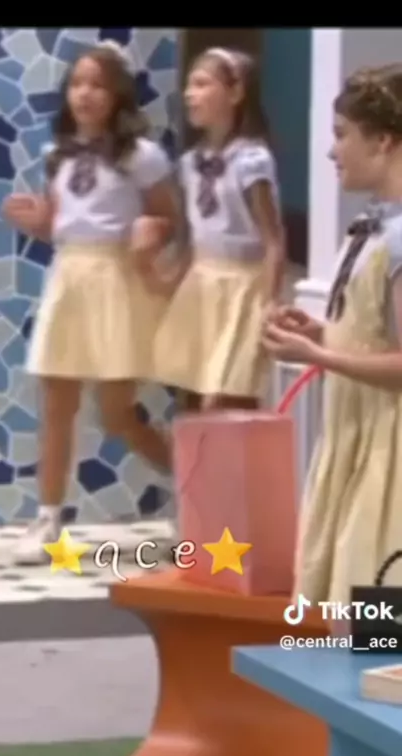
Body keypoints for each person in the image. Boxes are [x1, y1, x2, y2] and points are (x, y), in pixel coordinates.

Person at [2, 41, 180, 565]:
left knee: (118, 414)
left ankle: (193, 488)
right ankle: (48, 518)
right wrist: (37, 223)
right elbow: (61, 224)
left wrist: (153, 236)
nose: (85, 94)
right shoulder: (56, 153)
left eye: (97, 85)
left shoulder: (141, 156)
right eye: (77, 83)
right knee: (57, 404)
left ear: (118, 93)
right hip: (70, 277)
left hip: (117, 279)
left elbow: (169, 218)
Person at [262, 64, 402, 606]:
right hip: (358, 436)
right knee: (345, 608)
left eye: (342, 135)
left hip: (389, 448)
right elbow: (377, 330)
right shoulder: (377, 226)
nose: (331, 151)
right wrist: (324, 335)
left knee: (377, 615)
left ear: (383, 140)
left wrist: (320, 355)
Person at [152, 48, 286, 411]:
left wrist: (269, 302)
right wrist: (165, 281)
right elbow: (192, 239)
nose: (189, 94)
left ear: (235, 92)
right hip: (201, 286)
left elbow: (273, 241)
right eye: (188, 86)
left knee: (229, 397)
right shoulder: (189, 164)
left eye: (201, 84)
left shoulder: (250, 160)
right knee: (195, 396)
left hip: (242, 289)